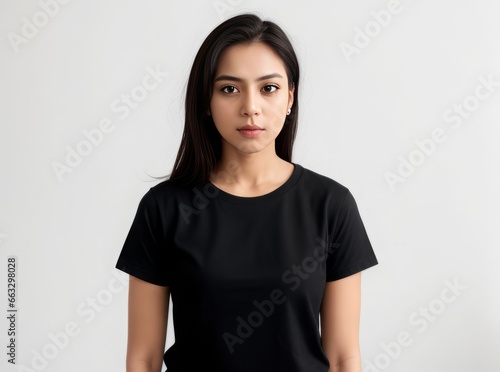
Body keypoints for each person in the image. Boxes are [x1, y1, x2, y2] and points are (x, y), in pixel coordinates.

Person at [115, 13, 378, 372]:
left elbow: (344, 357)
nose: (250, 107)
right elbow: (143, 359)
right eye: (229, 88)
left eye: (268, 88)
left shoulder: (330, 205)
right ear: (206, 101)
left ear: (290, 97)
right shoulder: (164, 209)